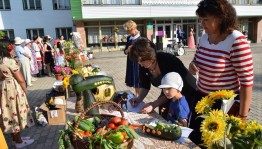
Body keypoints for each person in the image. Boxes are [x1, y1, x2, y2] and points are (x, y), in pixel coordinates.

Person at [188, 0, 254, 146]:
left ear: (221, 18)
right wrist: (193, 65)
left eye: (206, 20)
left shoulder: (236, 40)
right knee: (196, 141)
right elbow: (197, 59)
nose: (202, 24)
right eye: (201, 20)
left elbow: (246, 82)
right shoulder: (205, 37)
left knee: (218, 145)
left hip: (224, 105)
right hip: (202, 101)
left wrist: (242, 117)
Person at [128, 37, 196, 121]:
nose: (140, 64)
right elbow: (145, 85)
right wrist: (139, 99)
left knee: (180, 118)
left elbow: (172, 88)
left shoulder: (167, 60)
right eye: (138, 61)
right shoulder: (143, 65)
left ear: (149, 56)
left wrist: (153, 104)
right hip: (169, 93)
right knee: (164, 114)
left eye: (141, 61)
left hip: (186, 92)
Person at [0, 42, 35, 148]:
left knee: (10, 112)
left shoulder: (1, 61)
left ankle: (15, 139)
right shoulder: (10, 61)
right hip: (13, 88)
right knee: (16, 112)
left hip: (4, 88)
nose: (14, 50)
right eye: (13, 48)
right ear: (9, 50)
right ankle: (19, 141)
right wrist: (25, 90)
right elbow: (20, 79)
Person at [122, 20, 143, 96]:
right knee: (134, 80)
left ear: (132, 28)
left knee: (139, 80)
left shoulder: (142, 37)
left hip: (139, 63)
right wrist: (128, 49)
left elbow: (146, 51)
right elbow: (125, 52)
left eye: (128, 30)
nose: (127, 32)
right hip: (131, 62)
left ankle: (139, 97)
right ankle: (137, 96)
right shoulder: (129, 38)